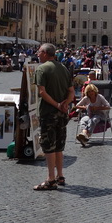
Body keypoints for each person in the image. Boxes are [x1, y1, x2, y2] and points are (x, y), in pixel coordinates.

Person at [32, 43, 74, 190]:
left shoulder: (41, 69)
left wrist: (56, 104)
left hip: (48, 113)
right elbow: (72, 92)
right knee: (59, 145)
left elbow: (42, 92)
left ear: (44, 53)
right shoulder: (63, 68)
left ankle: (50, 179)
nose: (37, 54)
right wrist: (65, 104)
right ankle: (60, 175)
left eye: (39, 52)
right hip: (62, 114)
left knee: (49, 146)